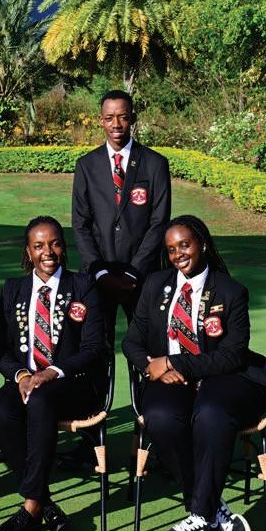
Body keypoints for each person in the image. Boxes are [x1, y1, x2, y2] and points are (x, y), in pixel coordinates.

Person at [122, 215, 266, 531]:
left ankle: (201, 515)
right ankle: (212, 509)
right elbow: (131, 342)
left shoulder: (232, 291)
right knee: (161, 417)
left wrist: (173, 361)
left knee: (211, 414)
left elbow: (231, 356)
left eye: (185, 245)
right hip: (170, 380)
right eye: (171, 249)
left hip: (222, 378)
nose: (178, 254)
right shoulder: (155, 284)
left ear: (202, 244)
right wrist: (151, 366)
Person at [0, 216, 106, 531]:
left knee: (40, 399)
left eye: (54, 243)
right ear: (28, 251)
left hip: (71, 383)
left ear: (63, 247)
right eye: (39, 246)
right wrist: (22, 375)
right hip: (25, 381)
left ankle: (30, 508)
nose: (47, 252)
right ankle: (44, 503)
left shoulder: (83, 285)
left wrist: (51, 372)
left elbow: (94, 347)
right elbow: (1, 351)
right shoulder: (12, 289)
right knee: (1, 411)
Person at [71, 89, 171, 348]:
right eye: (109, 118)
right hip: (98, 276)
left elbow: (159, 222)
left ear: (133, 118)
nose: (116, 124)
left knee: (148, 348)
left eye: (123, 117)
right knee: (95, 349)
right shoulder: (86, 165)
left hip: (142, 276)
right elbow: (80, 224)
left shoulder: (155, 163)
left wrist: (134, 271)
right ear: (101, 120)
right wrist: (100, 271)